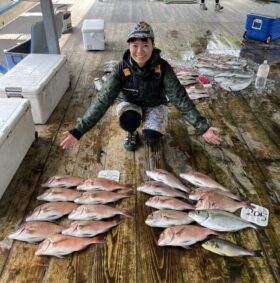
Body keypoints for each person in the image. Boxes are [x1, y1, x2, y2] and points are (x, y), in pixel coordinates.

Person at [60, 22, 222, 152]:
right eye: (134, 45)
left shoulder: (163, 68)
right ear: (129, 46)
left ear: (153, 45)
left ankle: (150, 127)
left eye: (145, 44)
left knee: (153, 136)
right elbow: (102, 100)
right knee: (129, 120)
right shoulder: (120, 69)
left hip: (155, 103)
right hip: (130, 104)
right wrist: (78, 131)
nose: (140, 51)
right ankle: (132, 132)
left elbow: (180, 98)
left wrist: (203, 127)